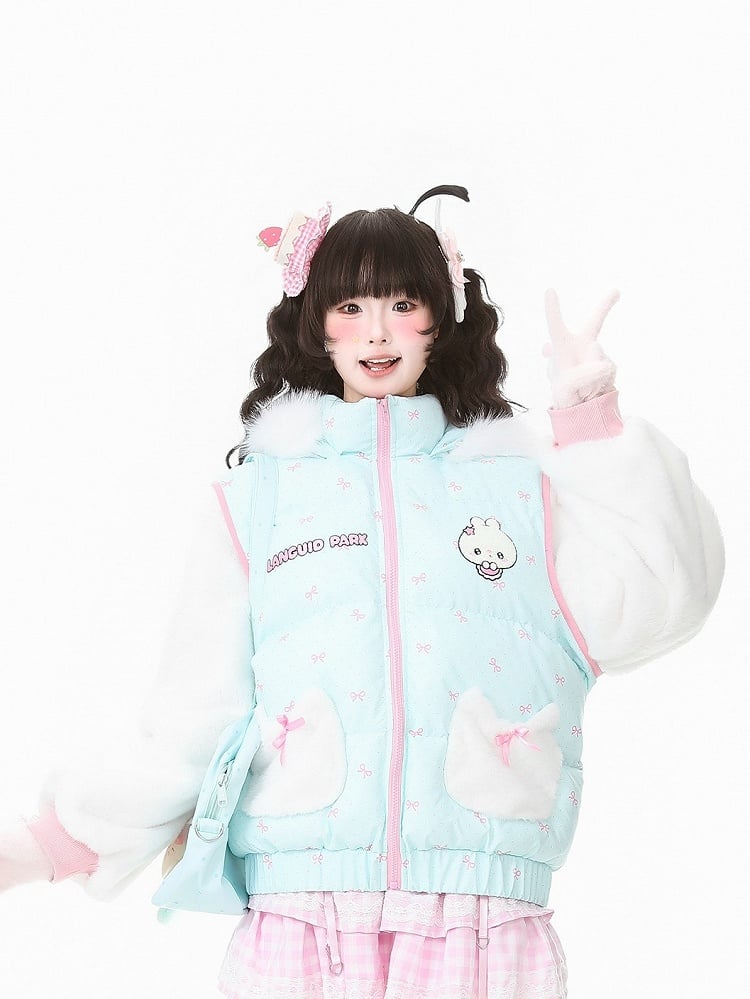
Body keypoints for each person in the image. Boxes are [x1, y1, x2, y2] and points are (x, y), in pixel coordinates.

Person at [0, 185, 724, 999]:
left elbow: (660, 600)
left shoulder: (519, 489)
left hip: (482, 920)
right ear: (316, 323)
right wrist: (55, 842)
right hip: (301, 920)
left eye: (403, 303)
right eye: (350, 305)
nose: (377, 330)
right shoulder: (258, 503)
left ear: (441, 319)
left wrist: (590, 421)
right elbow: (191, 714)